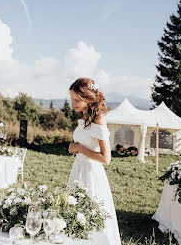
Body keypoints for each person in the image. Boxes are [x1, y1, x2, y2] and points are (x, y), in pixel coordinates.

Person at [67, 78, 121, 245]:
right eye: (72, 99)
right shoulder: (84, 117)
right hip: (78, 169)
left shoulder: (98, 119)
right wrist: (74, 148)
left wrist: (79, 148)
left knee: (91, 216)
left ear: (89, 98)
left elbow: (106, 159)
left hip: (91, 173)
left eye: (77, 100)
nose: (73, 103)